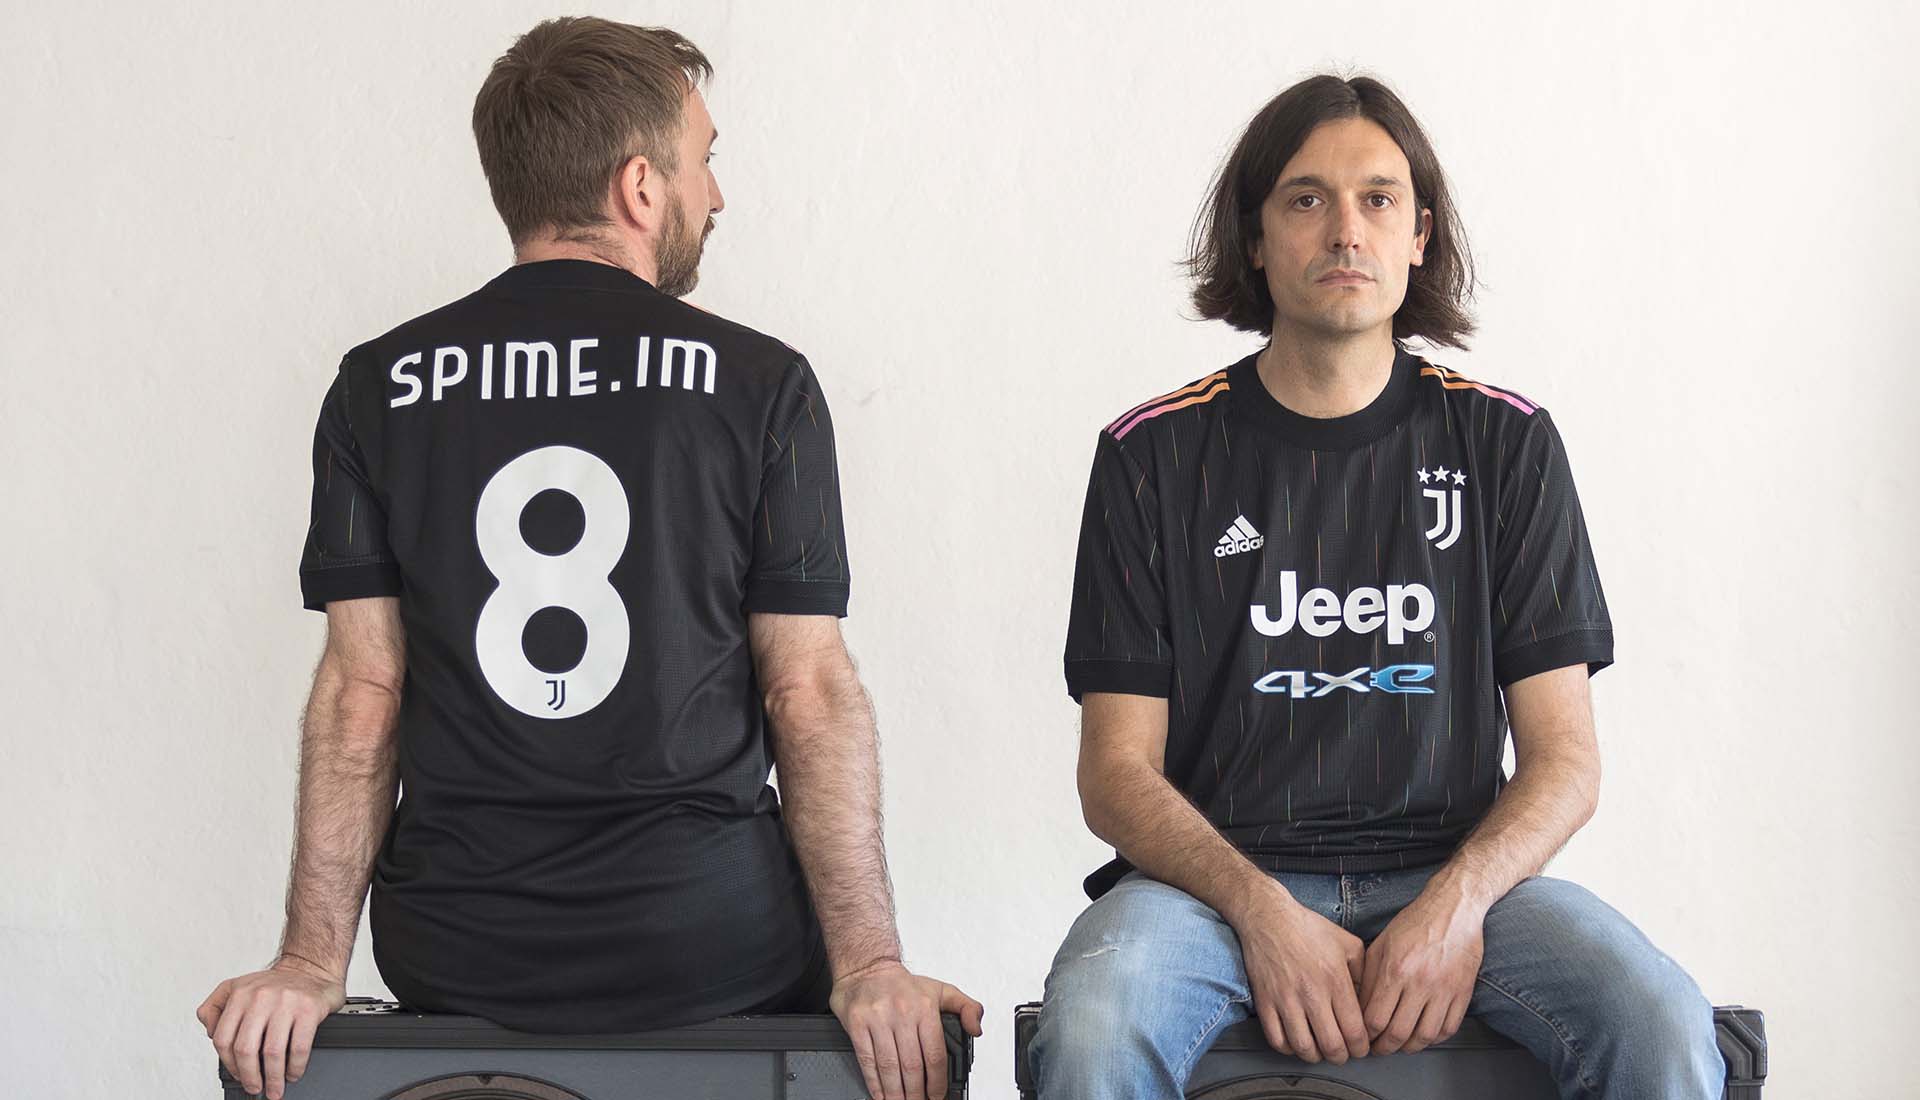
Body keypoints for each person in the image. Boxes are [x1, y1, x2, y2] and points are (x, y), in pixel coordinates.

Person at [194, 18, 980, 1100]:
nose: (716, 195)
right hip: (710, 945)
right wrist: (872, 967)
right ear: (640, 186)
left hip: (458, 949)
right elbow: (806, 690)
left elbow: (360, 691)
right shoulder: (763, 386)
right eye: (704, 161)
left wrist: (308, 962)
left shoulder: (376, 386)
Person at [1029, 74, 1724, 1099]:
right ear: (1255, 238)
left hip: (1460, 881)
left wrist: (1456, 906)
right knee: (1093, 1023)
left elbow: (1567, 760)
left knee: (1660, 1020)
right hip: (1210, 896)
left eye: (1378, 199)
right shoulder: (1152, 455)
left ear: (1420, 236)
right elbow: (1114, 772)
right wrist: (1262, 913)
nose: (1345, 230)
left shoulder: (1506, 443)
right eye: (1307, 199)